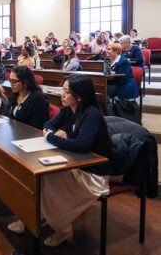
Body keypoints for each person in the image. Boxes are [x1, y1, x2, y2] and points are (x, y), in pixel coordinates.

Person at [8, 75, 112, 247]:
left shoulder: (90, 114)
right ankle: (36, 219)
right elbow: (48, 124)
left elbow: (81, 145)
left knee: (50, 180)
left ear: (79, 96)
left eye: (65, 91)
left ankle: (63, 230)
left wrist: (53, 137)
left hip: (93, 172)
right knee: (40, 177)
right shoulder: (69, 109)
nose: (61, 95)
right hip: (73, 162)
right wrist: (55, 133)